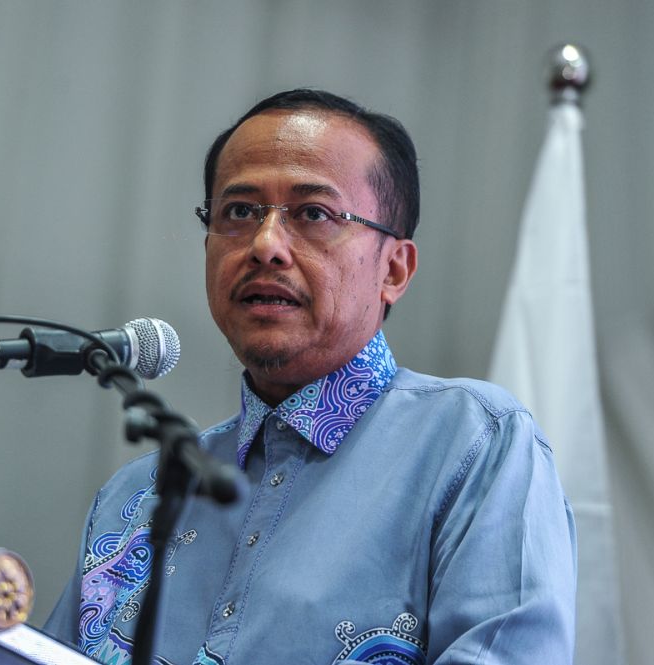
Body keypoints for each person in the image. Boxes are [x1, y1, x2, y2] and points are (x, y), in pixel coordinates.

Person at [44, 89, 577, 665]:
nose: (265, 245)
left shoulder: (474, 446)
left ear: (394, 269)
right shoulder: (137, 498)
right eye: (240, 212)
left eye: (314, 214)